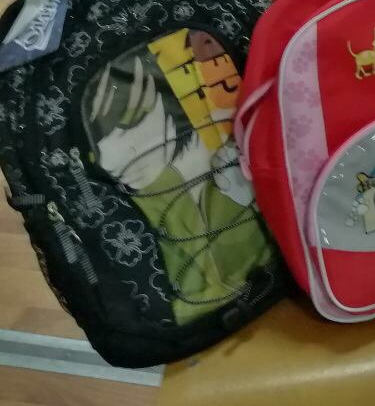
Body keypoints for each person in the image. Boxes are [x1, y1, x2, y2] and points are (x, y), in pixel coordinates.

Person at [83, 51, 273, 325]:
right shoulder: (152, 189)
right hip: (211, 310)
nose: (113, 155)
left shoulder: (198, 169)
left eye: (130, 125)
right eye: (102, 139)